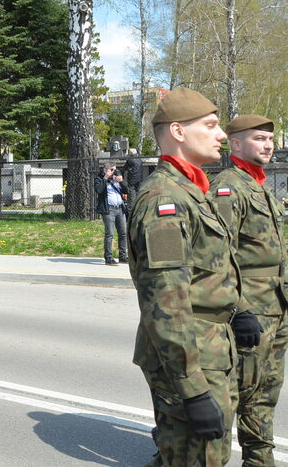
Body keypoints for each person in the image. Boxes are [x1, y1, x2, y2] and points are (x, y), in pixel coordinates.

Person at [127, 87, 261, 467]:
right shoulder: (163, 200)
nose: (221, 135)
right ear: (179, 132)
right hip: (191, 358)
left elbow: (212, 268)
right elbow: (165, 302)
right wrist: (193, 390)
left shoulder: (192, 190)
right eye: (212, 125)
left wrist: (239, 308)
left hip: (211, 348)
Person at [209, 114, 286, 467]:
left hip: (276, 305)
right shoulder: (228, 187)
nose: (267, 145)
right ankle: (190, 455)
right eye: (258, 139)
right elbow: (217, 258)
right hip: (251, 310)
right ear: (235, 144)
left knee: (266, 390)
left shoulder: (259, 185)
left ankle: (259, 459)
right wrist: (240, 310)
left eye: (269, 139)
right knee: (238, 391)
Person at [94, 163, 128, 265]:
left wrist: (121, 181)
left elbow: (126, 190)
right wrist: (105, 177)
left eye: (115, 169)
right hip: (109, 210)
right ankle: (108, 258)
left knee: (123, 233)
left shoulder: (116, 179)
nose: (114, 172)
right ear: (105, 170)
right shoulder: (99, 179)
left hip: (120, 209)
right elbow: (98, 190)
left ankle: (122, 256)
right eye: (112, 170)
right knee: (110, 234)